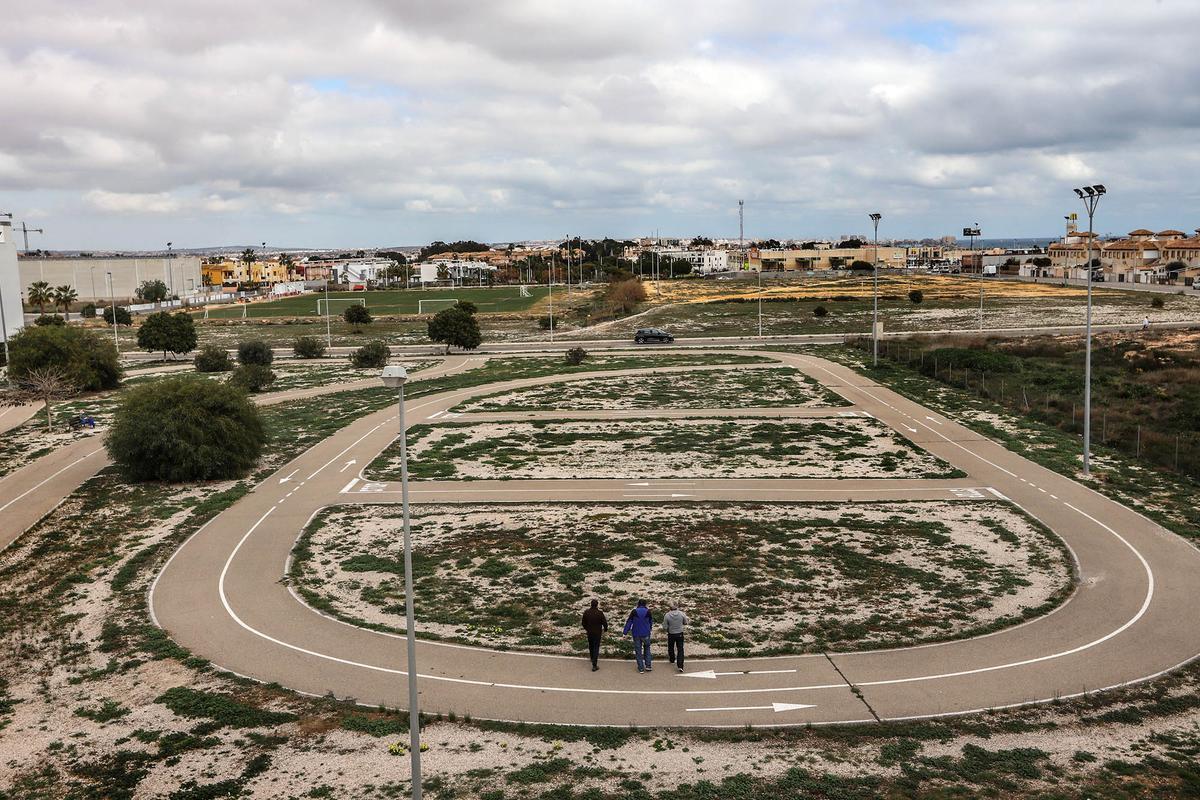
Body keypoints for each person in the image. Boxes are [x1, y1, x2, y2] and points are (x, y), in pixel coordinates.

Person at [622, 599, 654, 673]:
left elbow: (629, 622)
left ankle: (641, 668)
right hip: (646, 633)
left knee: (638, 651)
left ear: (638, 604)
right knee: (647, 649)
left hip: (636, 633)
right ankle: (648, 665)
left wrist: (625, 632)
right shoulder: (648, 611)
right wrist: (650, 629)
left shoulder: (634, 611)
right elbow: (650, 622)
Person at [581, 599, 608, 672]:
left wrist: (587, 628)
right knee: (596, 647)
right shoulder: (600, 613)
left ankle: (592, 657)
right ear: (597, 605)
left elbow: (583, 623)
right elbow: (604, 622)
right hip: (597, 633)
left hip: (589, 632)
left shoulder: (587, 612)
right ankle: (594, 665)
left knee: (591, 645)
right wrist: (605, 629)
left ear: (591, 604)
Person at [662, 603, 688, 672]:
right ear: (677, 607)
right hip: (680, 633)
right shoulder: (682, 614)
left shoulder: (667, 615)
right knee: (680, 649)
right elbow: (685, 622)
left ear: (669, 608)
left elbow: (664, 626)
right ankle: (680, 665)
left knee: (671, 647)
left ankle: (672, 659)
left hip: (671, 634)